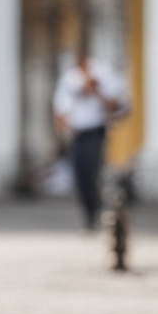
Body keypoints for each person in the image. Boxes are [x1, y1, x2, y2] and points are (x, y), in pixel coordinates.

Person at [53, 52, 125, 230]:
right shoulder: (70, 79)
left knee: (93, 170)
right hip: (78, 133)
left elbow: (116, 106)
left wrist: (96, 91)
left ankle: (101, 209)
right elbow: (61, 108)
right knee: (81, 174)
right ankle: (89, 212)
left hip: (96, 131)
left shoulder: (104, 76)